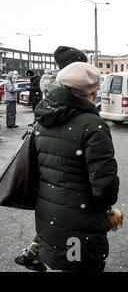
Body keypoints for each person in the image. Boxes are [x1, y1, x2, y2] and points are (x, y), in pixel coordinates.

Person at [32, 62, 120, 272]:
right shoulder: (92, 125)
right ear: (90, 93)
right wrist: (109, 206)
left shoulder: (43, 119)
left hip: (48, 214)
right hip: (82, 220)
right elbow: (104, 185)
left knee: (65, 265)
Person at [14, 46, 89, 272]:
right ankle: (69, 261)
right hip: (62, 148)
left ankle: (33, 254)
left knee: (55, 209)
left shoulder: (51, 84)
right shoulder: (65, 87)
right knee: (66, 211)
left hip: (47, 147)